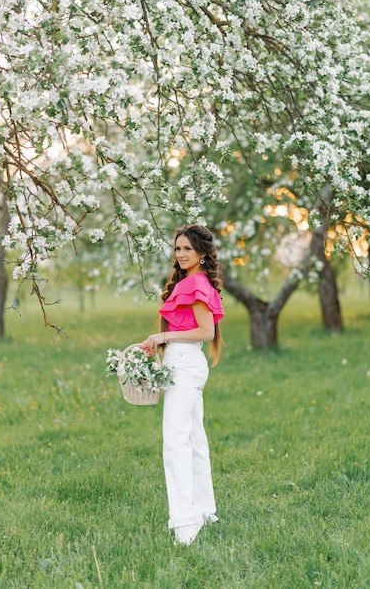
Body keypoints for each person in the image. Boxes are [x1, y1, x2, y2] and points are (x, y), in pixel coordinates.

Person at [143, 224, 224, 546]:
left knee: (176, 442)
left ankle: (185, 523)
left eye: (187, 249)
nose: (181, 254)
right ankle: (204, 510)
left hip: (187, 364)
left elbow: (205, 332)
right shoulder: (189, 283)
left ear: (202, 253)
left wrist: (163, 336)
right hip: (183, 361)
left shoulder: (196, 285)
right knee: (192, 438)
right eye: (178, 249)